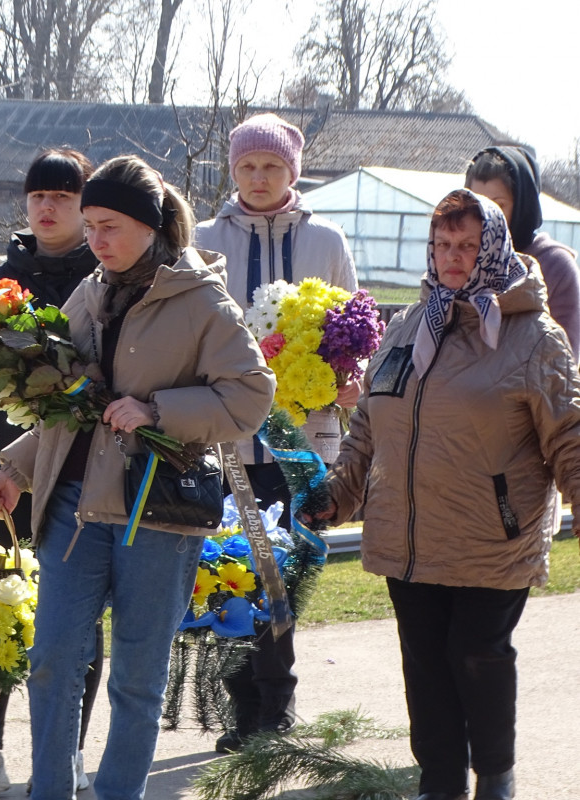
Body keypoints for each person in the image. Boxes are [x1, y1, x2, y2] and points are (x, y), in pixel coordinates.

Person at [0, 155, 276, 800]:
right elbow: (72, 407)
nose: (95, 240)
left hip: (157, 515)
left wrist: (158, 411)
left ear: (149, 224)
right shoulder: (90, 291)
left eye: (108, 225)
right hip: (72, 509)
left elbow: (252, 397)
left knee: (137, 681)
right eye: (89, 227)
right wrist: (16, 471)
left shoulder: (203, 301)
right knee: (52, 665)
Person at [311, 189, 580, 800]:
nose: (453, 258)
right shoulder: (409, 326)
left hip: (494, 536)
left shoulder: (533, 336)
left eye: (467, 246)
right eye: (442, 245)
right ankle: (440, 784)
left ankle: (495, 776)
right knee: (425, 666)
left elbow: (570, 432)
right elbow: (368, 428)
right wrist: (338, 493)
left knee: (476, 656)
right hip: (408, 534)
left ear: (492, 248)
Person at [0, 148, 104, 797]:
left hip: (81, 478)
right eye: (37, 195)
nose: (47, 206)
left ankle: (68, 757)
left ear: (84, 205)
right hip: (2, 480)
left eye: (61, 195)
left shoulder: (104, 280)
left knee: (74, 620)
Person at [193, 111, 359, 753]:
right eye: (246, 166)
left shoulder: (327, 241)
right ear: (232, 171)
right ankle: (243, 710)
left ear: (294, 171)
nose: (259, 178)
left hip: (301, 440)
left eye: (272, 166)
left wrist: (350, 379)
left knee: (284, 571)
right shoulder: (205, 237)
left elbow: (354, 330)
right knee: (230, 569)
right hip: (226, 437)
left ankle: (278, 707)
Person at [465, 145, 580, 356]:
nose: (486, 217)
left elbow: (564, 362)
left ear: (521, 207)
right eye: (477, 205)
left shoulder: (556, 266)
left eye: (498, 205)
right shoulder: (461, 258)